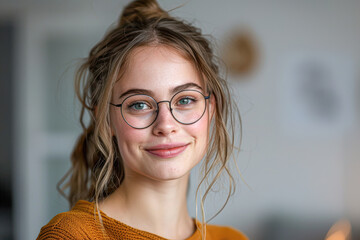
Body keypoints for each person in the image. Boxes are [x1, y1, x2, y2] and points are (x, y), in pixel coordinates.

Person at [37, 0, 247, 239]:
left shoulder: (233, 238)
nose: (166, 125)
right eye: (139, 104)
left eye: (185, 100)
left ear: (210, 109)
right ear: (106, 120)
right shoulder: (72, 236)